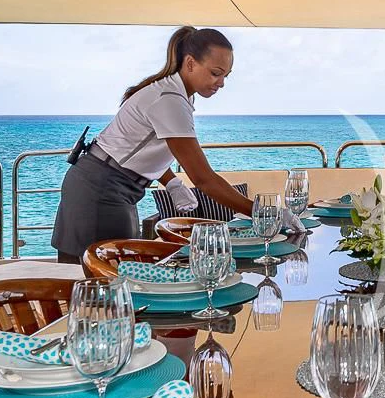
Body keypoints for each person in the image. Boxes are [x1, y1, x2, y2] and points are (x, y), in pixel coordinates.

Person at [51, 26, 295, 263]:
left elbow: (139, 150)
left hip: (108, 186)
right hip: (100, 191)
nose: (221, 83)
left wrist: (171, 182)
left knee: (108, 286)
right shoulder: (170, 100)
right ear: (190, 63)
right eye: (215, 73)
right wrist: (263, 213)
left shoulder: (176, 94)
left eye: (225, 76)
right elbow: (203, 179)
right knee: (100, 287)